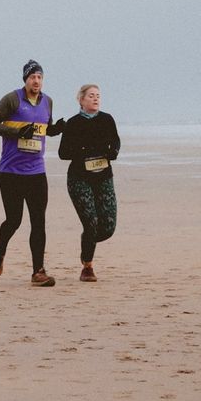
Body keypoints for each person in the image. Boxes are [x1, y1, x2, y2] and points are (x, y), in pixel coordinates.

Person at [0, 59, 63, 286]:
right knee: (14, 220)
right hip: (10, 171)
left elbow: (43, 128)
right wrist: (18, 132)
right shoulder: (12, 99)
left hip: (37, 171)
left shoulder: (47, 101)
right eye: (32, 77)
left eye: (39, 77)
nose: (36, 81)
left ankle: (38, 272)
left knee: (38, 222)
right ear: (25, 80)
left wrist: (55, 130)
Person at [57, 84, 121, 282]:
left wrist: (113, 152)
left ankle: (87, 238)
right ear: (81, 100)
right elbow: (63, 153)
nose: (95, 99)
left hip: (103, 177)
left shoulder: (107, 119)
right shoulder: (73, 124)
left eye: (98, 96)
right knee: (91, 222)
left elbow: (116, 142)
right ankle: (87, 266)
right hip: (79, 178)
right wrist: (85, 151)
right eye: (91, 96)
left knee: (108, 227)